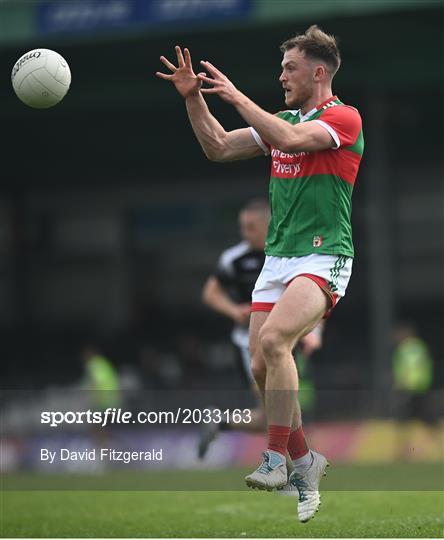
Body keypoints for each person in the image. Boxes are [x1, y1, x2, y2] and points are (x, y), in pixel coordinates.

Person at [157, 25, 364, 522]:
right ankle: (304, 459)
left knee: (275, 344)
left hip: (323, 256)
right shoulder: (282, 120)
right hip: (279, 260)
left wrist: (234, 95)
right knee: (260, 368)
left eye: (289, 68)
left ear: (318, 72)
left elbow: (291, 137)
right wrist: (194, 100)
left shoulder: (343, 117)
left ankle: (274, 460)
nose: (282, 76)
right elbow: (218, 147)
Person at [198, 199, 323, 459]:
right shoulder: (234, 258)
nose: (245, 233)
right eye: (242, 227)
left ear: (270, 225)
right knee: (278, 409)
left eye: (251, 227)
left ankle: (220, 421)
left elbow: (315, 295)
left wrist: (314, 332)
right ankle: (288, 473)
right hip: (248, 342)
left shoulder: (293, 253)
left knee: (273, 412)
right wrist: (235, 311)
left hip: (286, 339)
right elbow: (211, 293)